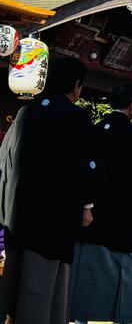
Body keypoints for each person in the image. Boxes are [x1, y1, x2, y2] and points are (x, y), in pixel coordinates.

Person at [0, 58, 96, 324]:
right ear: (76, 86)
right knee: (46, 281)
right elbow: (83, 164)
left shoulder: (25, 113)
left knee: (17, 277)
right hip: (55, 213)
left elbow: (5, 159)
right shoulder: (75, 116)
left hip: (19, 212)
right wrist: (87, 206)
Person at [70, 84, 132, 324]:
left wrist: (85, 204)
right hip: (124, 214)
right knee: (126, 268)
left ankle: (81, 316)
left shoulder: (94, 131)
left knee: (87, 268)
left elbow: (84, 171)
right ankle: (128, 317)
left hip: (95, 211)